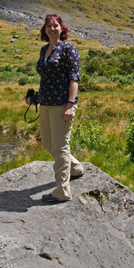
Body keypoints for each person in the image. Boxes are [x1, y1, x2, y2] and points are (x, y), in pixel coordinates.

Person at [27, 13, 84, 203]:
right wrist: (34, 98)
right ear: (44, 29)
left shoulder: (68, 49)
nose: (52, 28)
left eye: (55, 25)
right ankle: (74, 168)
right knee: (48, 144)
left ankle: (62, 191)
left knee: (60, 147)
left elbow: (74, 78)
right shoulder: (44, 50)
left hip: (62, 105)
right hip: (46, 104)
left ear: (62, 28)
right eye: (48, 26)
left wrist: (70, 105)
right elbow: (46, 78)